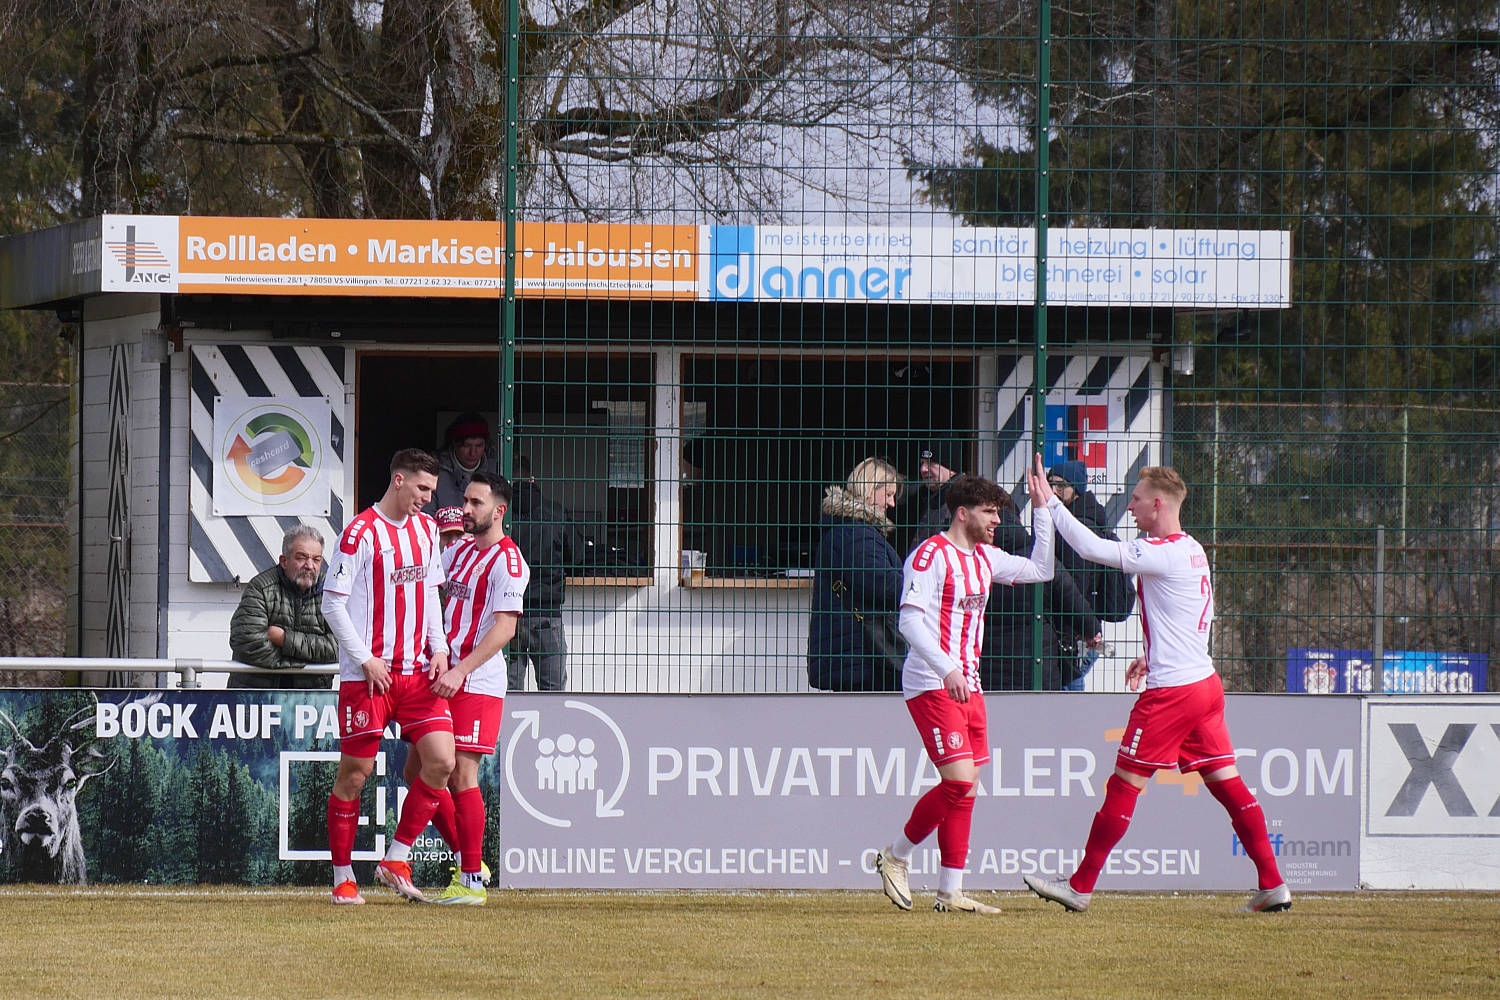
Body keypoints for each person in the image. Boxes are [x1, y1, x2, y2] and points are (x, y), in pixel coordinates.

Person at [1022, 459, 1292, 914]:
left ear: (1159, 504)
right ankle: (1273, 884)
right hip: (1203, 684)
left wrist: (1049, 504)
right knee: (1228, 785)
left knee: (1123, 785)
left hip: (1173, 694)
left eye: (1136, 499)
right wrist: (1154, 655)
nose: (1129, 507)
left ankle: (1080, 887)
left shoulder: (1162, 551)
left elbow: (1090, 548)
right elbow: (1195, 617)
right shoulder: (1192, 549)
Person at [874, 472, 1054, 915]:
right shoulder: (930, 555)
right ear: (961, 513)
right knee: (958, 781)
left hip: (968, 686)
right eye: (989, 512)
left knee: (966, 788)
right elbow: (909, 621)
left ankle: (949, 891)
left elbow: (1042, 569)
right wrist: (947, 668)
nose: (997, 521)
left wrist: (1043, 509)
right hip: (932, 683)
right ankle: (895, 856)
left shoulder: (985, 557)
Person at [321, 448, 455, 906]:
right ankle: (343, 878)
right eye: (422, 488)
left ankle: (395, 858)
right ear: (399, 480)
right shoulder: (359, 533)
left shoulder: (427, 529)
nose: (428, 498)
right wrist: (364, 659)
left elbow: (430, 595)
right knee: (355, 774)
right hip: (369, 677)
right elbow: (332, 603)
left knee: (441, 761)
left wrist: (440, 648)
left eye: (432, 490)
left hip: (417, 672)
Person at [425, 471, 528, 905]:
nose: (465, 509)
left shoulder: (509, 562)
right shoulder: (461, 550)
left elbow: (505, 628)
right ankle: (469, 859)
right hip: (445, 675)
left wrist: (460, 670)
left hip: (477, 680)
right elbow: (426, 586)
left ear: (499, 511)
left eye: (475, 503)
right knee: (419, 771)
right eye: (465, 500)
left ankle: (470, 882)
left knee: (461, 775)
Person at [979, 490, 1101, 692]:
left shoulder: (975, 559)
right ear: (1018, 519)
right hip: (1038, 669)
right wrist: (1092, 630)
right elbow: (1074, 603)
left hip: (986, 669)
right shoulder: (1039, 559)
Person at [807, 457, 905, 692]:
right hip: (863, 656)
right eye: (888, 494)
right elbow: (883, 584)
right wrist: (925, 586)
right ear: (869, 490)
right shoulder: (857, 534)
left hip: (850, 655)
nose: (891, 503)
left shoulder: (848, 530)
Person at [1047, 459, 1135, 688]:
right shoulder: (1088, 521)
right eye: (1050, 484)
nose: (1053, 491)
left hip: (1073, 635)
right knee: (1071, 688)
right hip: (1083, 632)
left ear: (1076, 489)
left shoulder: (1076, 529)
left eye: (1060, 485)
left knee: (1066, 691)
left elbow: (1074, 586)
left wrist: (1083, 627)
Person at [227, 525, 337, 689]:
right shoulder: (260, 587)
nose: (309, 565)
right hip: (257, 696)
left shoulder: (330, 592)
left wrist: (284, 639)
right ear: (284, 561)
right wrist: (305, 664)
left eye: (316, 559)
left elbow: (339, 647)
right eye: (301, 558)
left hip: (311, 699)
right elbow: (246, 642)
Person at [507, 455, 579, 692]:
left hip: (510, 612)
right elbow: (577, 556)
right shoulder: (556, 512)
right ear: (532, 479)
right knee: (552, 689)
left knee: (509, 688)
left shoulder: (501, 516)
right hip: (547, 611)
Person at [429, 413, 497, 512]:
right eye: (467, 446)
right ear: (454, 443)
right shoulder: (435, 472)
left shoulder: (497, 469)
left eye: (479, 446)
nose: (473, 452)